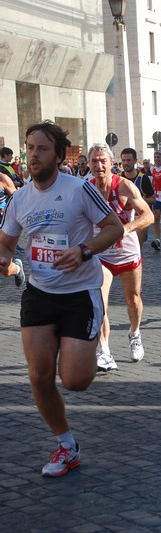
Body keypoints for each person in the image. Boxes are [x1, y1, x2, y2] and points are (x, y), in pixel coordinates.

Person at [0, 121, 124, 477]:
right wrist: (5, 259)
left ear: (59, 154)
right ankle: (66, 445)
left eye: (41, 148)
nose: (33, 155)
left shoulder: (79, 189)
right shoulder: (20, 198)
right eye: (29, 147)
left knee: (74, 381)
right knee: (38, 374)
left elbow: (114, 227)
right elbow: (6, 243)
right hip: (39, 293)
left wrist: (84, 250)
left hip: (80, 294)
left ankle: (77, 354)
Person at [89, 144, 154, 369]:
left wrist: (126, 228)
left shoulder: (124, 186)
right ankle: (104, 350)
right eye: (94, 161)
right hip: (101, 255)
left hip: (127, 253)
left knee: (133, 299)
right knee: (98, 302)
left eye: (102, 161)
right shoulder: (86, 189)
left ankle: (134, 333)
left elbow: (148, 216)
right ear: (89, 164)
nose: (98, 166)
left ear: (111, 162)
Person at [121, 147, 155, 247]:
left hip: (138, 219)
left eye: (128, 160)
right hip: (122, 220)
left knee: (136, 249)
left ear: (135, 161)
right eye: (123, 160)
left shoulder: (143, 179)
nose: (126, 163)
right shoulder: (117, 178)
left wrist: (140, 201)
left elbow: (153, 199)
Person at [0, 171, 25, 287]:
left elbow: (18, 202)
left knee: (6, 270)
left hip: (3, 229)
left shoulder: (3, 179)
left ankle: (17, 269)